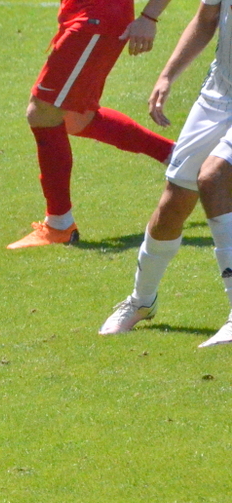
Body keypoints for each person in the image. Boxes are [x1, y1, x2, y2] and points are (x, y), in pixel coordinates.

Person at [100, 0, 232, 347]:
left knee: (214, 177)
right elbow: (207, 18)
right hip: (219, 94)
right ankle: (142, 301)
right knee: (173, 204)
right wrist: (167, 75)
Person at [7, 0, 177, 249]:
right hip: (85, 17)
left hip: (95, 20)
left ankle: (59, 225)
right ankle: (178, 157)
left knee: (43, 112)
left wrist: (149, 17)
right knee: (77, 118)